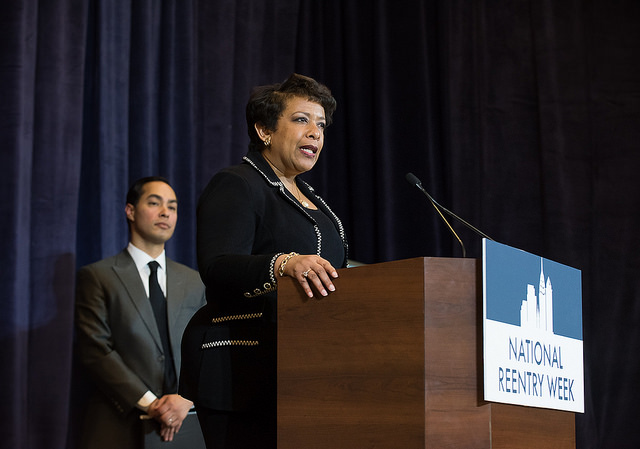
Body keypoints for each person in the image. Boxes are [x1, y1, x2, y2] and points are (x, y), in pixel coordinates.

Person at [180, 73, 349, 448]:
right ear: (264, 130)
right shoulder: (238, 184)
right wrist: (283, 263)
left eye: (321, 124)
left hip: (306, 367)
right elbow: (217, 266)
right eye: (302, 120)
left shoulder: (315, 203)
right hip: (242, 365)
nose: (316, 133)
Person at [75, 176, 207, 448]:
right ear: (130, 211)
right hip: (119, 423)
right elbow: (95, 349)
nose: (165, 212)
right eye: (154, 203)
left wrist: (186, 399)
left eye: (172, 206)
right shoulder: (98, 276)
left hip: (186, 423)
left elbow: (208, 347)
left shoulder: (195, 281)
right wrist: (151, 403)